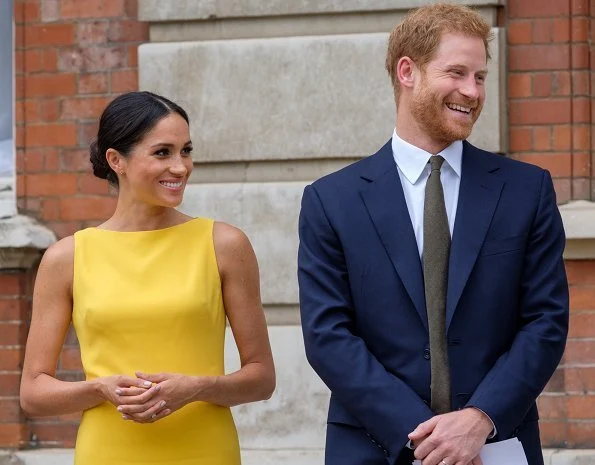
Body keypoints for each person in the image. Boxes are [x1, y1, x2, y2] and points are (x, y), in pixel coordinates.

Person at [297, 4, 568, 465]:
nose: (472, 91)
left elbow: (545, 320)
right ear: (408, 71)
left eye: (480, 76)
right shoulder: (331, 200)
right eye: (457, 73)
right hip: (375, 446)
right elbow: (328, 335)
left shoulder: (527, 189)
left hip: (496, 444)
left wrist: (479, 418)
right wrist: (425, 437)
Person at [20, 91, 276, 465]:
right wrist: (100, 389)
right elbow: (33, 392)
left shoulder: (224, 244)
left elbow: (261, 377)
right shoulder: (67, 258)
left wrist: (197, 387)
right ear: (116, 160)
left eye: (185, 151)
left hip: (204, 451)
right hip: (108, 452)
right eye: (162, 152)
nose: (180, 167)